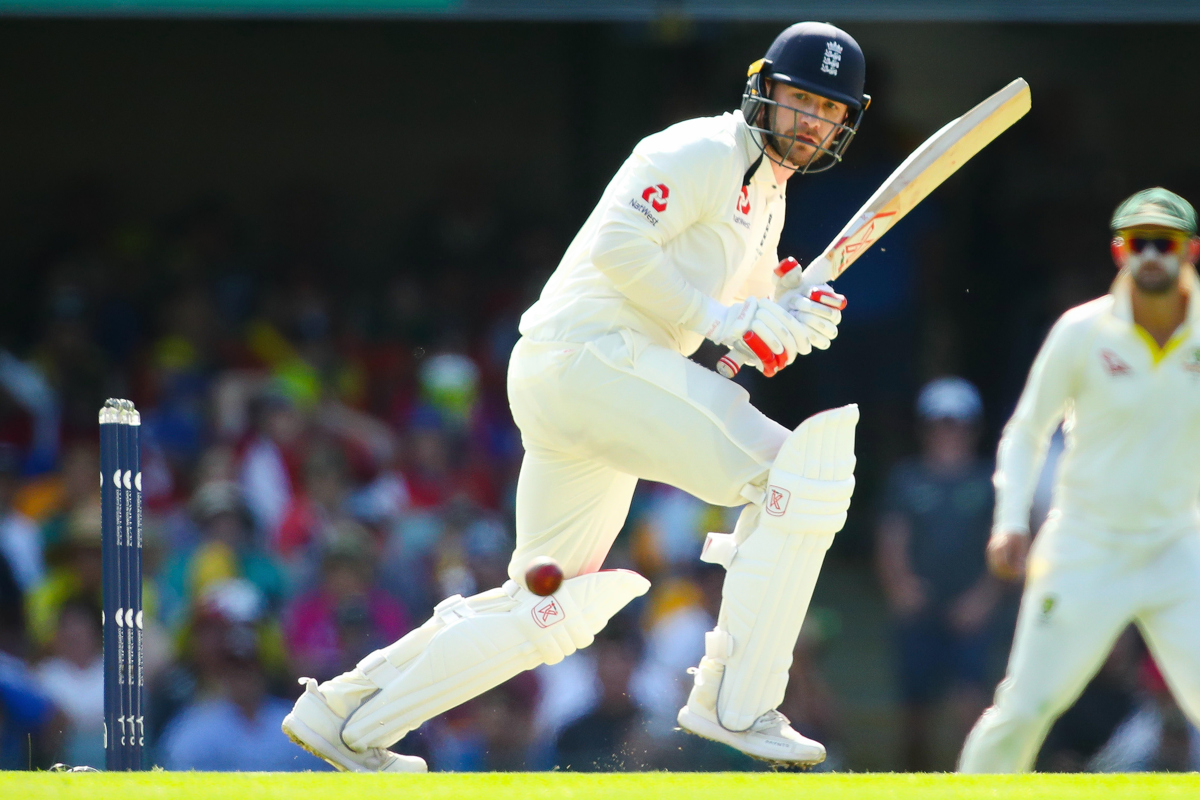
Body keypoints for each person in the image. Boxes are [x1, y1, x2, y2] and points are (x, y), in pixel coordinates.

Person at [283, 21, 867, 771]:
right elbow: (619, 247)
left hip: (594, 383)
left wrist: (791, 312)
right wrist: (725, 318)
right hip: (593, 360)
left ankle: (345, 717)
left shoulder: (767, 198)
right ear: (762, 90)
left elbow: (746, 321)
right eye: (799, 102)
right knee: (797, 475)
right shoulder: (698, 151)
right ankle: (737, 703)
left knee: (543, 608)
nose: (811, 123)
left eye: (828, 112)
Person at [959, 187, 1200, 772]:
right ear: (1120, 252)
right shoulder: (1082, 330)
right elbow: (1025, 431)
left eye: (1163, 243)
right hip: (1084, 546)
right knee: (1026, 706)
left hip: (1177, 548)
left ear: (1189, 250)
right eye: (1137, 242)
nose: (1151, 255)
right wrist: (1011, 521)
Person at [876, 377, 1000, 770]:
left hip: (971, 612)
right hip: (919, 608)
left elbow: (1008, 545)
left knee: (971, 707)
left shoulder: (990, 481)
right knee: (915, 714)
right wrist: (900, 588)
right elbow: (891, 538)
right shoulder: (906, 478)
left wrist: (983, 600)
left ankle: (972, 784)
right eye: (939, 422)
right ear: (924, 428)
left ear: (973, 428)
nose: (948, 432)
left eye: (957, 422)